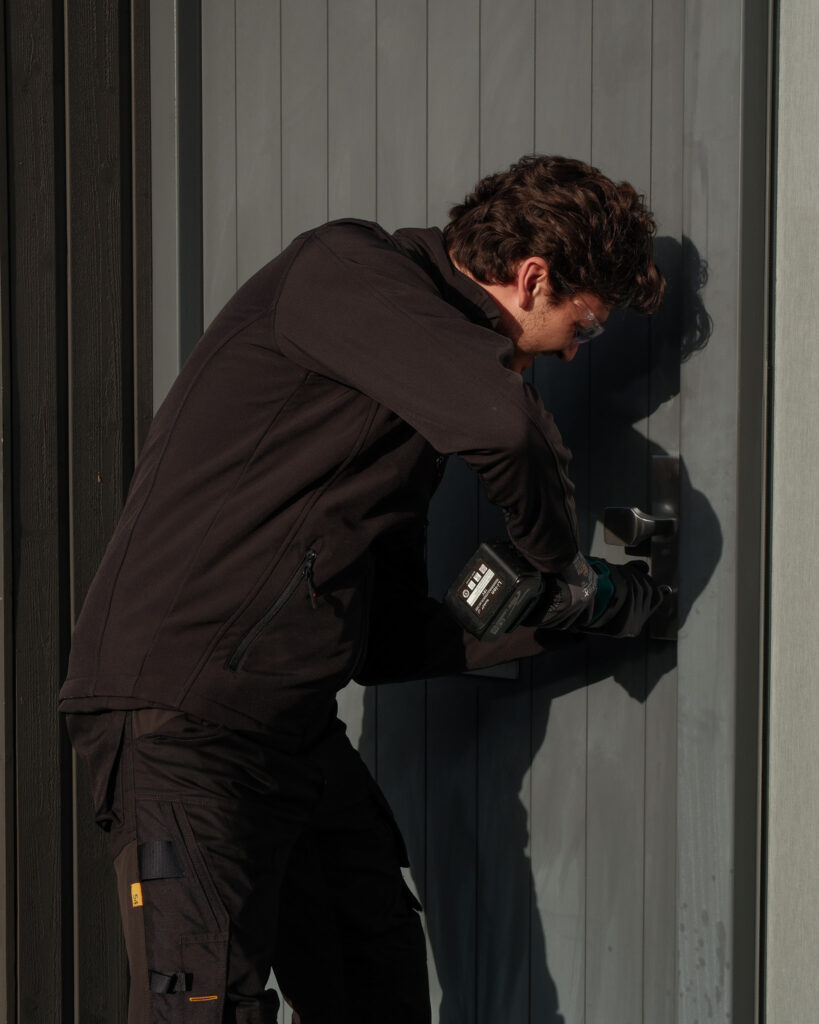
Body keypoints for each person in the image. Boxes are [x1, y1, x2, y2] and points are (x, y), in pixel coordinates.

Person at [60, 154, 666, 1023]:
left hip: (290, 725)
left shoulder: (405, 402)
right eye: (586, 327)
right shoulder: (343, 271)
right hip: (181, 715)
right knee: (200, 1006)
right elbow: (506, 428)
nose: (574, 351)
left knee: (374, 978)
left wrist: (560, 617)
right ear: (533, 278)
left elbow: (383, 639)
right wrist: (560, 566)